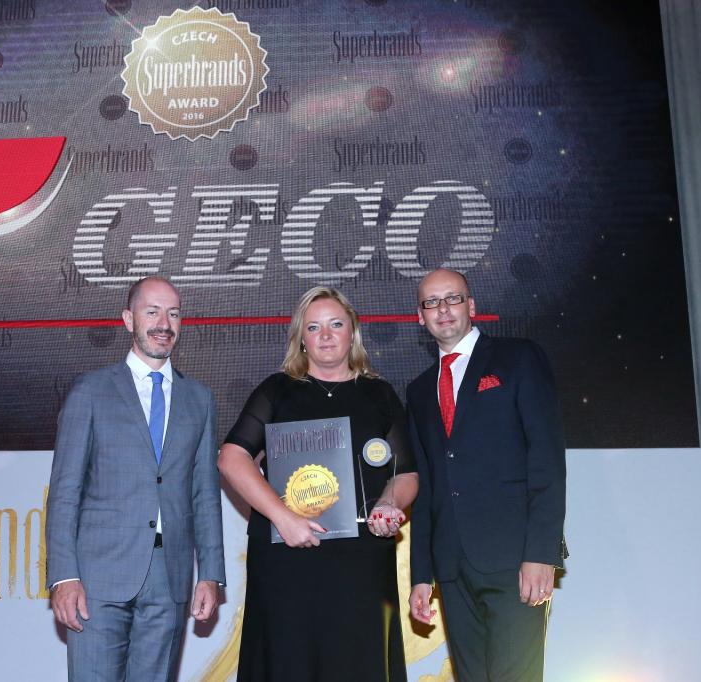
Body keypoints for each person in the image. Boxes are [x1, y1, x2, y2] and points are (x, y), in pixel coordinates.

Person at [218, 286, 419, 682]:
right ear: (301, 338)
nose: (325, 335)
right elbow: (231, 457)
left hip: (360, 563)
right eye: (314, 327)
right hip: (288, 561)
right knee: (287, 663)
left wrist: (389, 503)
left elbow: (406, 473)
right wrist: (283, 518)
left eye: (335, 325)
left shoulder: (379, 394)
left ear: (352, 332)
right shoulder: (277, 390)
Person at [46, 276, 225, 682]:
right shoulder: (90, 391)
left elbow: (204, 494)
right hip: (97, 577)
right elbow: (65, 492)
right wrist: (64, 576)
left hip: (170, 576)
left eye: (173, 314)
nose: (164, 324)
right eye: (152, 312)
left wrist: (211, 574)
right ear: (128, 319)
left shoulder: (199, 399)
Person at [407, 268, 566, 682]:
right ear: (420, 316)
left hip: (516, 558)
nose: (443, 309)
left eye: (453, 298)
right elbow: (426, 486)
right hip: (452, 567)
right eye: (431, 302)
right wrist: (421, 575)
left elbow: (546, 459)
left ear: (471, 305)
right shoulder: (418, 391)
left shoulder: (518, 358)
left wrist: (541, 553)